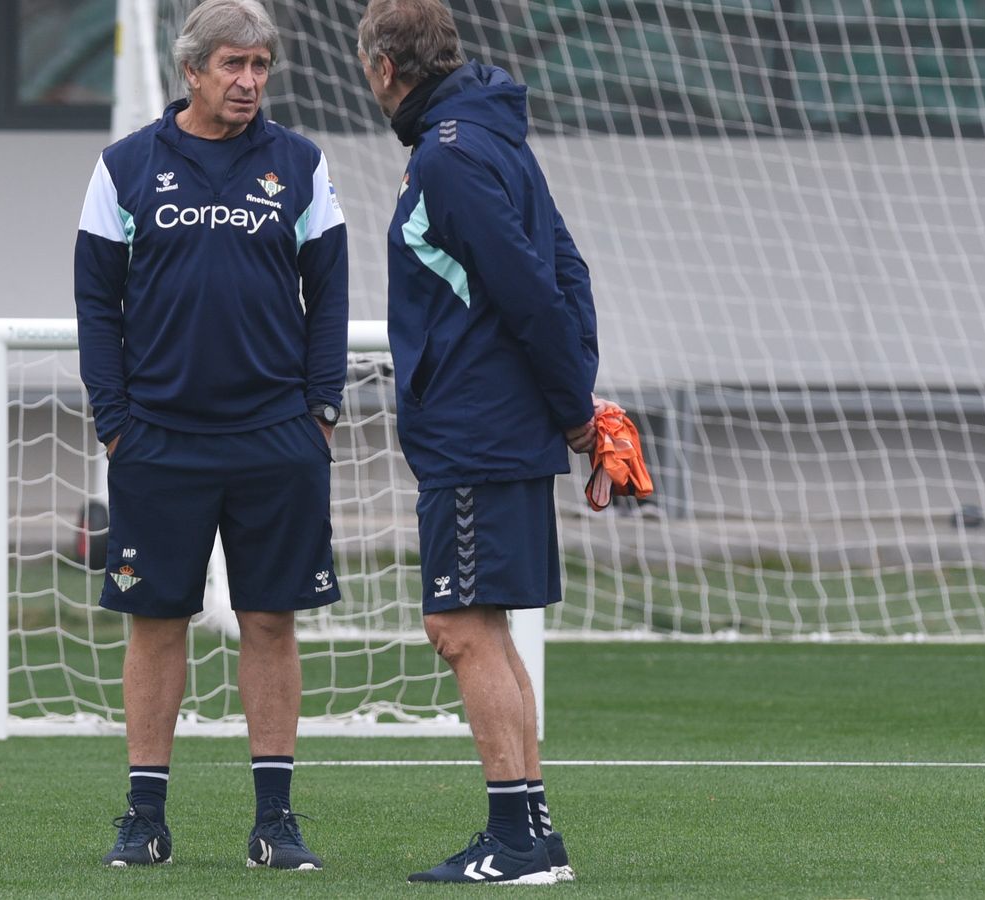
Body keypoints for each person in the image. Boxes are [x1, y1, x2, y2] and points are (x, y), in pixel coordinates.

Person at [74, 0, 348, 872]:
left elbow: (331, 292)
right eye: (233, 66)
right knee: (156, 622)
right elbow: (95, 301)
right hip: (159, 439)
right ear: (191, 71)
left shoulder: (301, 165)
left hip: (276, 436)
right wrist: (115, 422)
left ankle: (276, 821)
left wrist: (322, 410)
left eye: (261, 66)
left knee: (270, 620)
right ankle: (143, 817)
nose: (249, 82)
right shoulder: (123, 168)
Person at [357, 0, 608, 885]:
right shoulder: (493, 138)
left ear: (385, 69)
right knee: (485, 627)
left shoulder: (449, 155)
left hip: (477, 428)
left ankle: (515, 842)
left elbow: (532, 291)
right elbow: (566, 270)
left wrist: (577, 409)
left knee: (458, 626)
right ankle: (532, 835)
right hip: (496, 423)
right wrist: (576, 393)